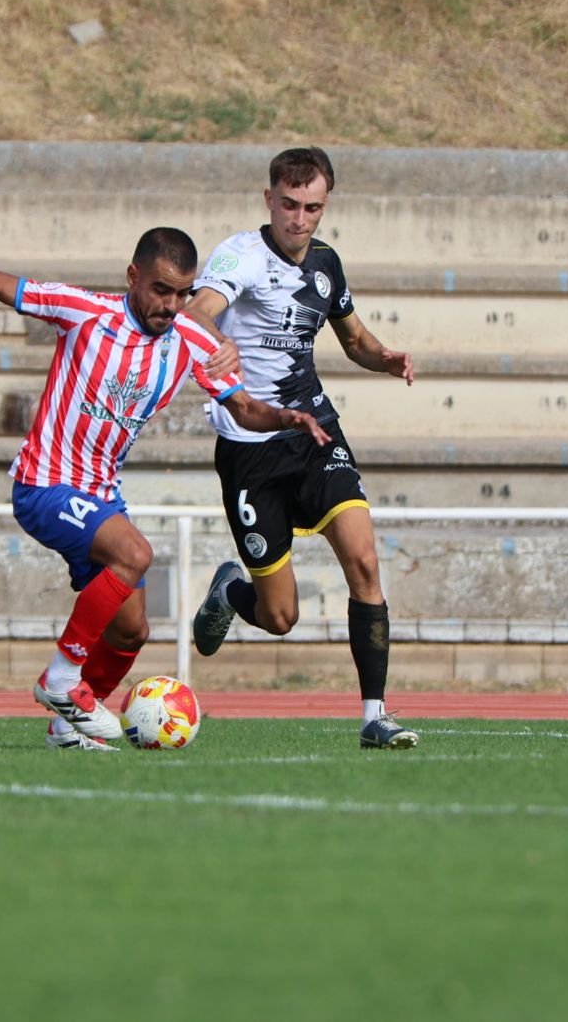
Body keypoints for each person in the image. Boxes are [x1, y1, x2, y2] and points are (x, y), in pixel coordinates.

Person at [0, 227, 329, 751]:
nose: (171, 305)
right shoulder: (85, 310)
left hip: (100, 495)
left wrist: (285, 417)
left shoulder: (193, 341)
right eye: (160, 290)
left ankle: (67, 727)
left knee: (131, 631)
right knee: (135, 553)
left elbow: (243, 408)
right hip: (44, 483)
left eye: (182, 293)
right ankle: (61, 680)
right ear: (133, 277)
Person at [183, 147, 419, 750]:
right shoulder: (240, 255)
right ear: (269, 200)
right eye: (289, 204)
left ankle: (374, 716)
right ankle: (233, 593)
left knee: (364, 562)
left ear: (325, 205)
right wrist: (216, 343)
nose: (300, 218)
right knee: (281, 616)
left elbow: (354, 339)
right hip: (250, 446)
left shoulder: (327, 264)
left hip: (314, 431)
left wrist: (384, 358)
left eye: (312, 206)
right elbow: (198, 313)